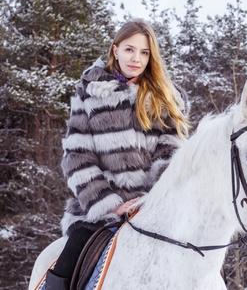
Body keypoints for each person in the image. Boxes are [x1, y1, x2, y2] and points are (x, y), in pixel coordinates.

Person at [45, 19, 189, 289]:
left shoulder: (164, 98)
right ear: (115, 50)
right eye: (129, 50)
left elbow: (172, 156)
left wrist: (153, 201)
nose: (136, 58)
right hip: (101, 209)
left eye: (144, 52)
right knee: (67, 262)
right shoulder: (90, 93)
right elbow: (78, 157)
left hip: (153, 206)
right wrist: (109, 205)